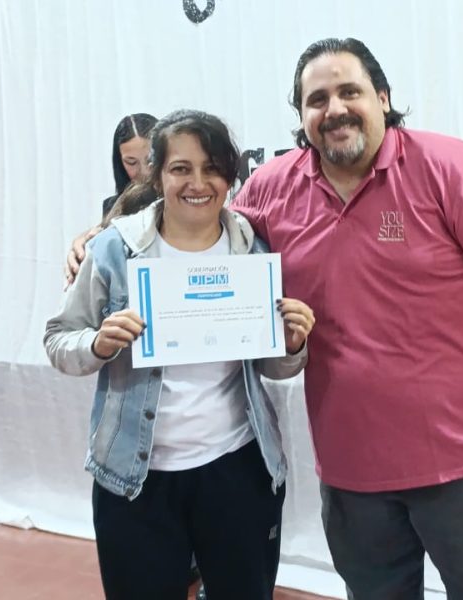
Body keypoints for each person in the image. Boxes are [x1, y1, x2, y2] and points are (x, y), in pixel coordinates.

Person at [234, 38, 463, 599]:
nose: (334, 109)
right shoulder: (270, 189)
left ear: (382, 97)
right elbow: (199, 242)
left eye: (349, 92)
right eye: (317, 99)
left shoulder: (450, 168)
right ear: (301, 115)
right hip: (350, 467)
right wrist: (108, 236)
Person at [46, 109, 315, 599]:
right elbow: (59, 340)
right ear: (157, 175)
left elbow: (271, 367)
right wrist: (98, 344)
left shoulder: (251, 248)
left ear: (230, 176)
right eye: (181, 169)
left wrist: (292, 343)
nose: (198, 183)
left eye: (212, 168)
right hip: (135, 479)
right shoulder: (113, 251)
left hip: (237, 468)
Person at [103, 113, 158, 217]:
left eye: (151, 160)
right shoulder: (111, 208)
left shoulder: (179, 201)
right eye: (131, 162)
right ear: (120, 163)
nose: (145, 172)